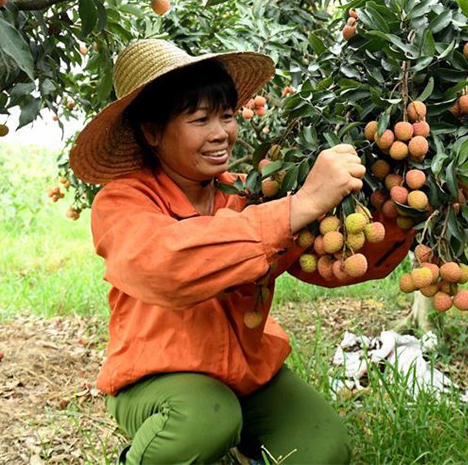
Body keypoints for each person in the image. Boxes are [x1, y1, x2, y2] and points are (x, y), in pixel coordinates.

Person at [69, 39, 417, 464]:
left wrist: (402, 210)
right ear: (152, 131)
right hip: (157, 377)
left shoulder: (246, 192)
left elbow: (326, 261)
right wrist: (298, 206)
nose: (221, 134)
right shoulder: (123, 201)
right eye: (200, 119)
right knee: (204, 420)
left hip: (245, 373)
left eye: (227, 116)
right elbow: (167, 265)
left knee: (324, 448)